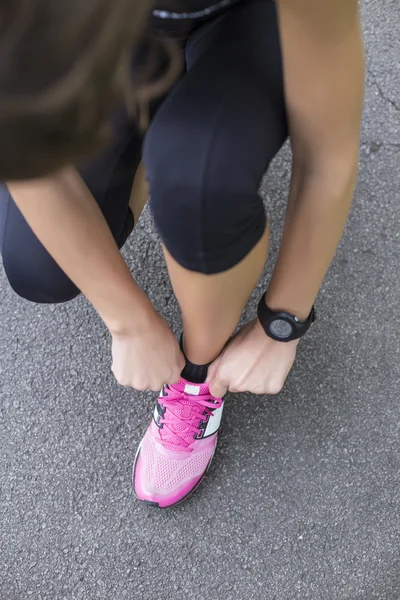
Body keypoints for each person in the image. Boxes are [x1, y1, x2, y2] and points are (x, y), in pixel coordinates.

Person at [0, 0, 364, 508]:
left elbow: (327, 153)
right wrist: (128, 322)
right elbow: (23, 147)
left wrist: (283, 322)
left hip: (249, 21)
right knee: (40, 267)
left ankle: (199, 376)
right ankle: (157, 140)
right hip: (112, 27)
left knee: (197, 176)